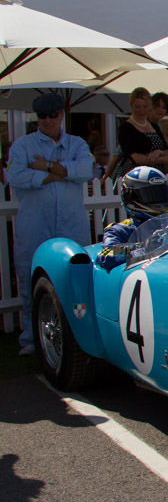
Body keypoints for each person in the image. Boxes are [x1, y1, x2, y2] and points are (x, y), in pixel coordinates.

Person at [6, 93, 93, 356]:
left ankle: (80, 334)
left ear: (61, 115)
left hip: (71, 223)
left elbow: (86, 171)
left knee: (78, 277)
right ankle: (32, 338)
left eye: (52, 115)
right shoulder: (21, 145)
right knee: (30, 277)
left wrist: (45, 167)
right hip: (35, 223)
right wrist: (59, 172)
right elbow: (16, 176)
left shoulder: (77, 143)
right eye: (42, 116)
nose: (46, 121)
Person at [94, 166, 168, 270]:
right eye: (150, 195)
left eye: (161, 194)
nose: (158, 200)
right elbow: (106, 256)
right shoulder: (120, 231)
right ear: (131, 197)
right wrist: (143, 249)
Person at [109, 87, 168, 184]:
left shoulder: (154, 126)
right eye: (137, 107)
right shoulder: (126, 128)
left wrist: (159, 152)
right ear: (131, 106)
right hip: (136, 177)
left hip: (155, 177)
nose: (141, 110)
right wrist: (161, 160)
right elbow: (129, 156)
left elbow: (165, 149)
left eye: (145, 107)